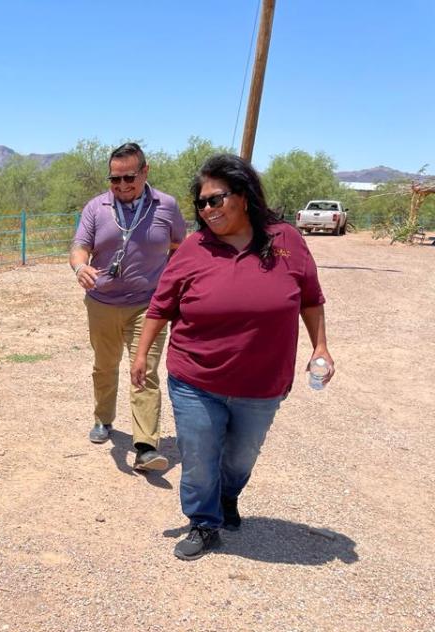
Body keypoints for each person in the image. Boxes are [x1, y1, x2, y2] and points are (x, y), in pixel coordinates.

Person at [130, 153, 334, 560]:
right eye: (201, 204)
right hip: (195, 378)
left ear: (243, 195)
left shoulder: (286, 240)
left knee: (241, 457)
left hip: (261, 383)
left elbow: (310, 299)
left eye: (216, 199)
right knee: (200, 455)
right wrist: (140, 356)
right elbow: (161, 306)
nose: (207, 210)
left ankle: (227, 497)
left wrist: (321, 346)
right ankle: (204, 522)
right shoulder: (193, 248)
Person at [69, 142, 187, 471]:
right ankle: (103, 419)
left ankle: (146, 445)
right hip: (101, 303)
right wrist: (80, 268)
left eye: (129, 178)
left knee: (144, 371)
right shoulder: (96, 207)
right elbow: (79, 247)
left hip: (147, 306)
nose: (121, 186)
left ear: (145, 172)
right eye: (114, 179)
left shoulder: (166, 206)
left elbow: (181, 246)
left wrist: (170, 280)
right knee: (104, 366)